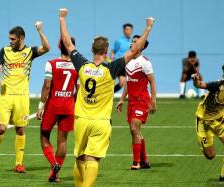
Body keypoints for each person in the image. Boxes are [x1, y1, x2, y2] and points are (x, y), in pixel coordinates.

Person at [59, 8, 155, 187]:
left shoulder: (81, 65)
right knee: (93, 159)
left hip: (81, 120)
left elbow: (67, 43)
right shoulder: (111, 68)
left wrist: (62, 18)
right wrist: (148, 27)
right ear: (106, 51)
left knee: (80, 158)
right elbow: (135, 50)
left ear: (91, 49)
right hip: (101, 121)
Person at [0, 23, 50, 173]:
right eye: (9, 38)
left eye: (13, 39)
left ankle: (19, 164)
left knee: (20, 130)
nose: (10, 41)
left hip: (22, 96)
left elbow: (47, 48)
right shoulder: (4, 51)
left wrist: (40, 31)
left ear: (21, 38)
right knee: (1, 128)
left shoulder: (30, 52)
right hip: (5, 95)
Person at [36, 37, 78, 182]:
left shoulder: (51, 64)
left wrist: (41, 106)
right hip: (69, 106)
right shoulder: (77, 66)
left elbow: (47, 86)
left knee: (44, 136)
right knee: (63, 141)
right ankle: (55, 173)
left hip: (53, 106)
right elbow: (78, 89)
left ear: (59, 46)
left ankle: (54, 164)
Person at [115, 35, 157, 170]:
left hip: (142, 101)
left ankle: (136, 162)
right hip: (131, 102)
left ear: (141, 46)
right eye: (132, 41)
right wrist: (122, 99)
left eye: (135, 42)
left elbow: (152, 82)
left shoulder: (145, 62)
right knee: (135, 131)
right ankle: (145, 161)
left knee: (134, 128)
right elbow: (129, 82)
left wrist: (153, 101)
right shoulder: (128, 61)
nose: (132, 43)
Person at [110, 23, 134, 93]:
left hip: (128, 64)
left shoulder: (133, 42)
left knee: (126, 82)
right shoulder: (119, 41)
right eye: (126, 29)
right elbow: (113, 51)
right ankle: (108, 94)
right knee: (118, 82)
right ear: (123, 30)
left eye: (129, 29)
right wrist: (111, 61)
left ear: (132, 30)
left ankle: (129, 96)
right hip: (119, 64)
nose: (128, 31)